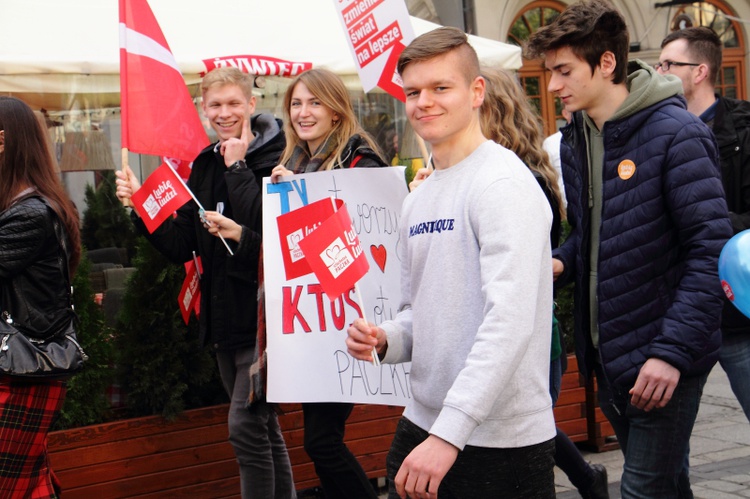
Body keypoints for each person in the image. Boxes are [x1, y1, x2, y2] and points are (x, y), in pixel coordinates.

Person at [526, 1, 733, 497]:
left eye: (563, 71)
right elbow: (595, 235)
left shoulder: (677, 134)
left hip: (664, 359)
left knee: (641, 490)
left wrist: (670, 353)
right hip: (612, 358)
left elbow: (711, 251)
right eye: (549, 71)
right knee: (667, 486)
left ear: (606, 64)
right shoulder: (577, 138)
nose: (552, 86)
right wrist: (561, 261)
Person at [347, 27, 556, 499]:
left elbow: (510, 321)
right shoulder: (420, 197)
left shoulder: (502, 184)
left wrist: (449, 434)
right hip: (425, 421)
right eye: (413, 92)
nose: (424, 102)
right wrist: (386, 340)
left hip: (499, 438)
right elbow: (418, 312)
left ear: (476, 91)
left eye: (441, 87)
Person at [115, 67, 296, 499]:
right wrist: (142, 205)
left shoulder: (276, 159)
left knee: (244, 428)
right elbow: (182, 244)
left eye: (234, 103)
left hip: (265, 320)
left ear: (251, 104)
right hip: (223, 323)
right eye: (215, 105)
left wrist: (237, 167)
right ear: (203, 109)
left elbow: (272, 237)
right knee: (261, 427)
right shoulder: (202, 163)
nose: (225, 112)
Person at [481, 67, 609, 499]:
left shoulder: (518, 179)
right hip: (514, 329)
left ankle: (589, 480)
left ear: (490, 109)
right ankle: (589, 481)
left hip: (529, 332)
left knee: (528, 437)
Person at [270, 68, 385, 499]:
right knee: (320, 443)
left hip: (350, 318)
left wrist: (305, 193)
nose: (304, 112)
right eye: (297, 104)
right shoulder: (294, 163)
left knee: (321, 442)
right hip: (315, 322)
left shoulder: (359, 158)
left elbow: (371, 226)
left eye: (315, 102)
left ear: (336, 111)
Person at [658, 26, 750, 423]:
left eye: (668, 65)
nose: (658, 73)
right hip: (679, 317)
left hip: (737, 315)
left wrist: (709, 224)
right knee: (666, 458)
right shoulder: (656, 133)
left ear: (700, 71)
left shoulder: (744, 132)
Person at [0, 96, 82, 498]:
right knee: (26, 485)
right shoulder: (23, 206)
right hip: (20, 367)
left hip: (23, 369)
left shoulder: (29, 214)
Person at [542, 107, 571, 210]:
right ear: (565, 114)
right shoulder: (551, 143)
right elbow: (548, 178)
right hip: (564, 208)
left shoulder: (592, 139)